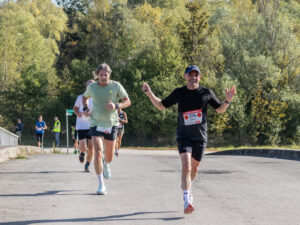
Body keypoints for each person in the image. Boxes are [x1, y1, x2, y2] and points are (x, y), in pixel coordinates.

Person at [142, 65, 236, 214]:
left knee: (194, 168)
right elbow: (161, 106)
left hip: (200, 137)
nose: (193, 77)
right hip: (183, 135)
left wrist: (227, 100)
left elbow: (219, 109)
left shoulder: (206, 92)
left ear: (200, 77)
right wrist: (149, 93)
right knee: (186, 166)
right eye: (190, 75)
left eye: (196, 75)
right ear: (185, 76)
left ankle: (187, 186)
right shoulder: (179, 93)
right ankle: (187, 200)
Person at [83, 63, 131, 195]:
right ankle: (101, 185)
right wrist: (86, 108)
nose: (104, 77)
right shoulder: (92, 87)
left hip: (112, 124)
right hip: (96, 123)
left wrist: (116, 106)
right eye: (101, 75)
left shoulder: (116, 86)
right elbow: (84, 97)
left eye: (106, 74)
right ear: (97, 75)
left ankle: (106, 163)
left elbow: (128, 101)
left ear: (110, 74)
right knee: (98, 151)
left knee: (109, 155)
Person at [73, 80, 95, 172]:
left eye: (92, 84)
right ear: (86, 86)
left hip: (93, 125)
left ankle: (87, 165)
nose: (90, 85)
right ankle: (82, 152)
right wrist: (78, 114)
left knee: (91, 147)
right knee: (83, 146)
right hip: (81, 125)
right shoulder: (80, 97)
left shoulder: (97, 98)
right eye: (88, 84)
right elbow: (75, 108)